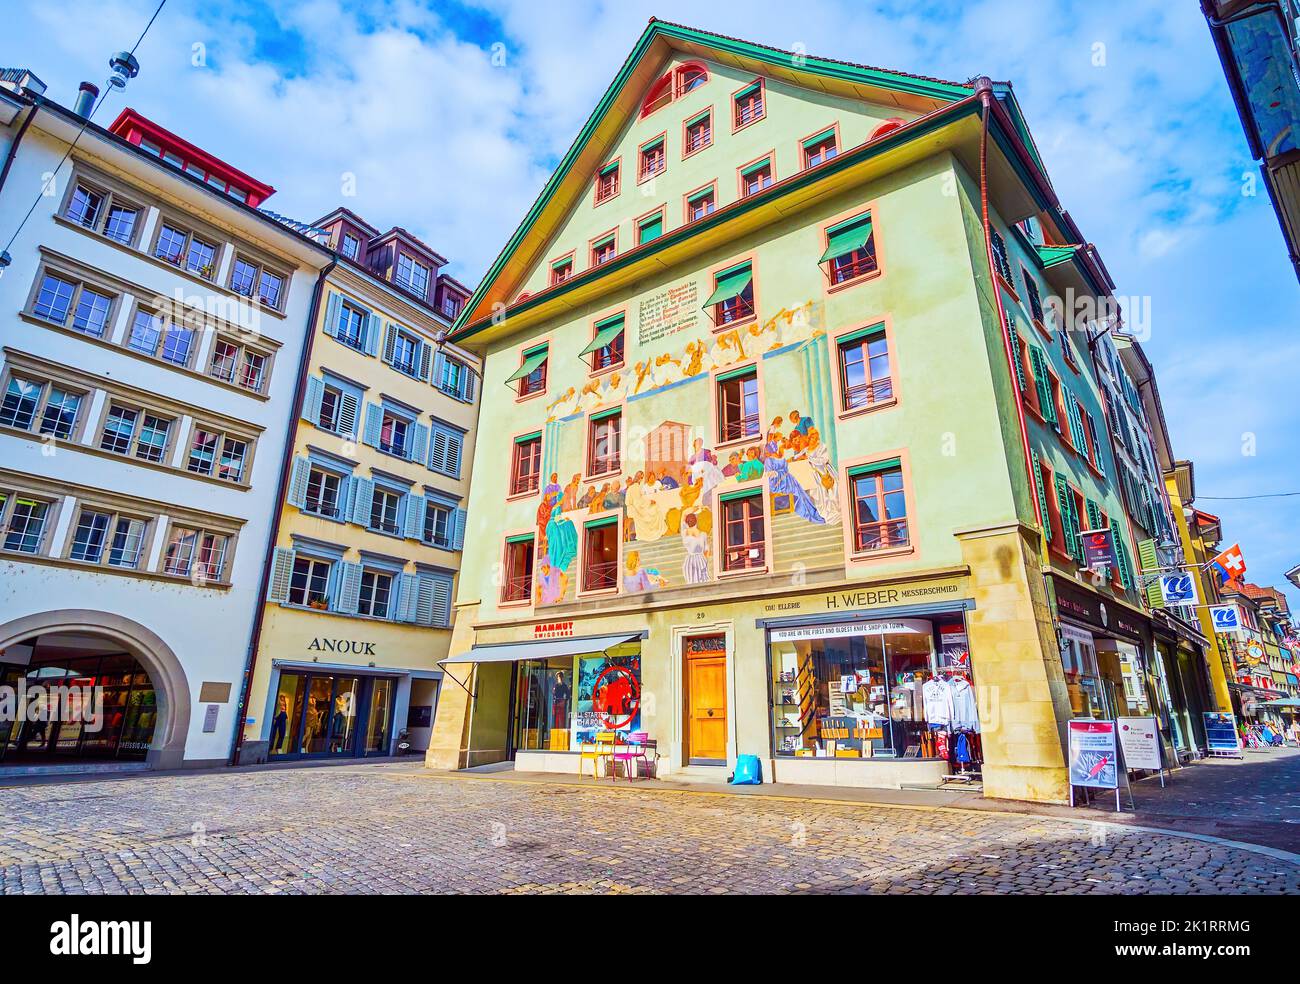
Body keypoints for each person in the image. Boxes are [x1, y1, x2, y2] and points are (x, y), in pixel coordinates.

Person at [681, 512, 710, 583]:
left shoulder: (684, 532)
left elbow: (684, 513)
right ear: (696, 521)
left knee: (692, 581)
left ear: (687, 522)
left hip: (691, 559)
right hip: (699, 559)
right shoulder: (703, 534)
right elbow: (707, 550)